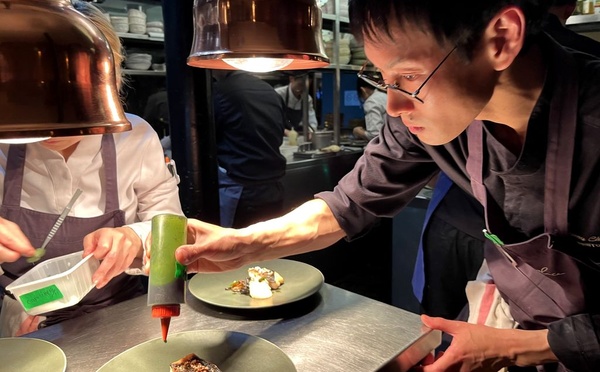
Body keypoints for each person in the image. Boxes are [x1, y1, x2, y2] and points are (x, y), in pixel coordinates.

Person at [159, 1, 600, 370]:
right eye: (381, 78)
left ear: (501, 38)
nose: (393, 105)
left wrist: (522, 347)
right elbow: (350, 203)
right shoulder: (429, 116)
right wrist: (246, 243)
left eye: (407, 77)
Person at [0, 0, 183, 337]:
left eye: (70, 99)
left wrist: (136, 237)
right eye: (37, 100)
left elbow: (171, 229)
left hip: (118, 316)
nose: (53, 125)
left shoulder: (136, 136)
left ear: (107, 82)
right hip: (23, 323)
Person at [212, 70, 287, 228]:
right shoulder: (269, 89)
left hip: (241, 191)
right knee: (269, 247)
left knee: (234, 249)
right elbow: (279, 134)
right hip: (273, 188)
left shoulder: (221, 91)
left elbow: (204, 137)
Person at [353, 75, 388, 141]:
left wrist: (358, 132)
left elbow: (375, 136)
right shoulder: (384, 96)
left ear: (363, 90)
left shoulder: (371, 101)